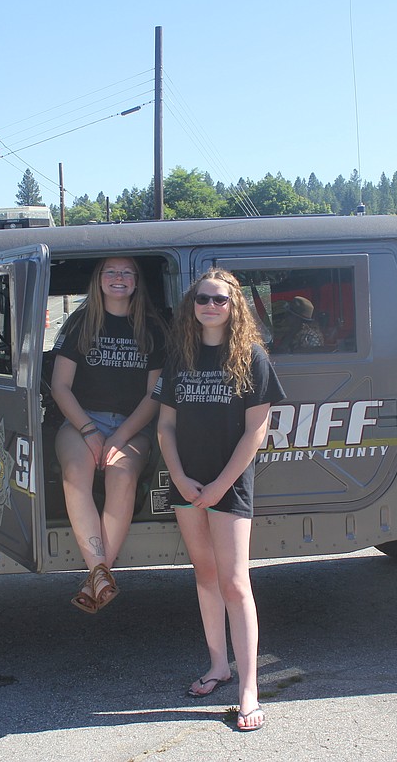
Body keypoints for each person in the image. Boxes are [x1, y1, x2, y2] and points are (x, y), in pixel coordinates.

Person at [152, 268, 286, 732]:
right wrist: (181, 478)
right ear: (192, 305)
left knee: (234, 582)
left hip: (229, 483)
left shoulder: (251, 357)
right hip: (186, 484)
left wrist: (220, 486)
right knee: (205, 575)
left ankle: (249, 689)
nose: (211, 306)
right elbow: (165, 427)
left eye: (220, 300)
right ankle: (218, 666)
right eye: (203, 299)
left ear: (235, 306)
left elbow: (256, 432)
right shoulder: (180, 357)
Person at [51, 257, 166, 614]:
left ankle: (98, 575)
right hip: (82, 419)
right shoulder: (79, 323)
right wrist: (88, 430)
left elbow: (154, 396)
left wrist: (119, 438)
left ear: (136, 282)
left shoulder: (153, 328)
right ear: (99, 280)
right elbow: (60, 386)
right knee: (76, 474)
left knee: (121, 474)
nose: (119, 278)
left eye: (127, 272)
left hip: (133, 424)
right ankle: (100, 574)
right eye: (111, 272)